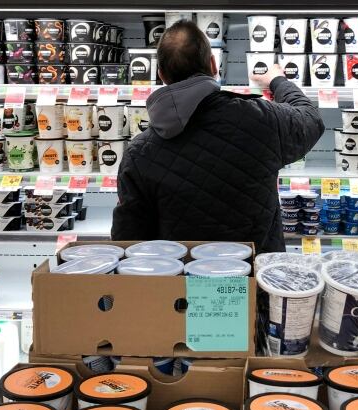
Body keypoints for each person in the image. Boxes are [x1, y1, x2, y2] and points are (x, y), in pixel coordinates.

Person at [111, 20, 324, 253]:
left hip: (181, 282)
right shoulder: (261, 119)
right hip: (252, 279)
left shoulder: (139, 152)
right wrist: (277, 80)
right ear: (213, 64)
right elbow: (311, 120)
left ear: (161, 74)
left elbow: (128, 241)